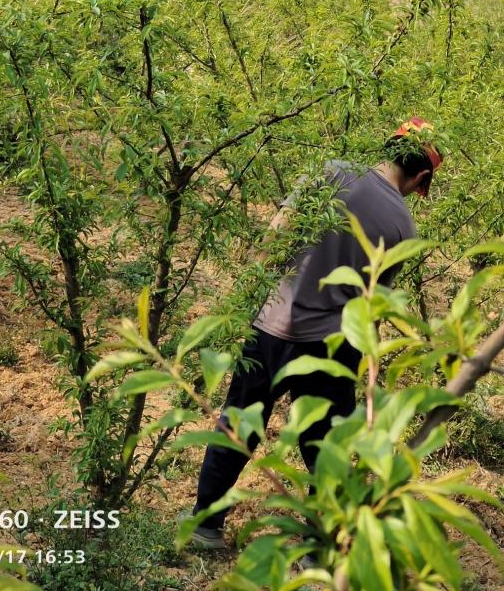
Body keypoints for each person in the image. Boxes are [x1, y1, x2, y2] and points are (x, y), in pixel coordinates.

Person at [185, 117, 443, 549]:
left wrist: (247, 301)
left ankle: (206, 528)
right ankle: (317, 550)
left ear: (388, 147)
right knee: (325, 447)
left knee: (238, 424)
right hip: (333, 345)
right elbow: (373, 305)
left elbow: (275, 236)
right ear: (420, 177)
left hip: (270, 325)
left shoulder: (329, 172)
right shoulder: (404, 228)